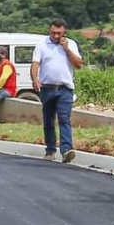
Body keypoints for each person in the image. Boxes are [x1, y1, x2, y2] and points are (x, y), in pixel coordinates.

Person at [31, 18, 83, 163]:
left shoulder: (71, 44)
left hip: (65, 88)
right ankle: (50, 150)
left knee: (64, 119)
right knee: (48, 120)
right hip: (47, 88)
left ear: (64, 32)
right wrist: (34, 78)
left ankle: (66, 150)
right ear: (50, 30)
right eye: (53, 32)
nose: (55, 36)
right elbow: (35, 63)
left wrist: (66, 49)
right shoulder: (42, 45)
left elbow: (79, 64)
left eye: (58, 33)